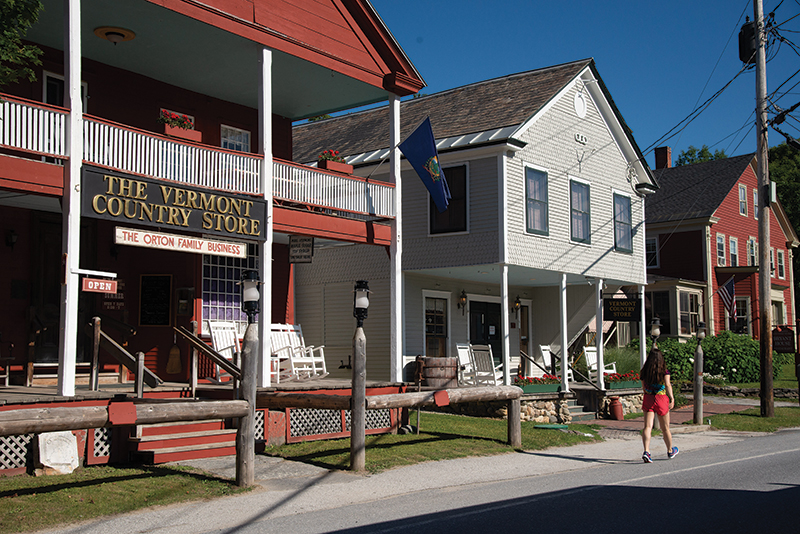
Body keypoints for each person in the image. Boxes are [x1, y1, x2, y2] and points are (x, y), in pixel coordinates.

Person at [640, 346, 678, 463]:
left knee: (647, 426)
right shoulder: (664, 371)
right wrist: (671, 397)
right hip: (661, 398)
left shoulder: (644, 371)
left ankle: (647, 450)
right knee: (665, 427)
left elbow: (643, 386)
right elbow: (667, 385)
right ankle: (670, 450)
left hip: (649, 397)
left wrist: (647, 392)